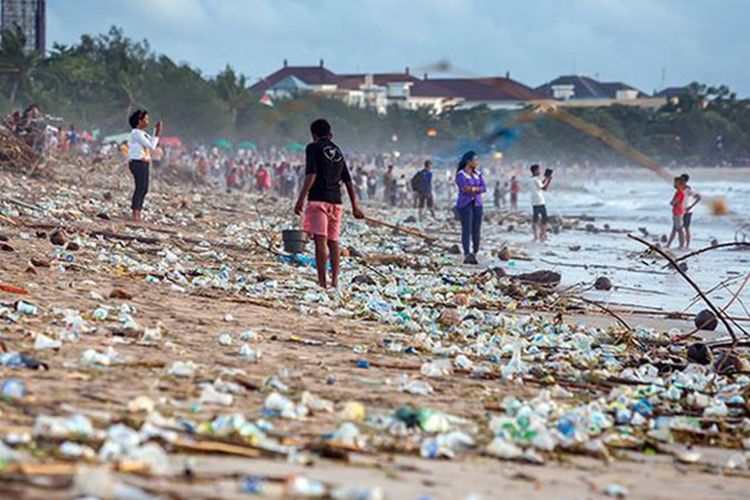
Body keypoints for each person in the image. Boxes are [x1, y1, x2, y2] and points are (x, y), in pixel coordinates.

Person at [294, 119, 364, 288]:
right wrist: (355, 206)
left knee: (320, 241)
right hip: (336, 202)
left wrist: (300, 199)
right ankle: (334, 281)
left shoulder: (312, 147)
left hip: (318, 199)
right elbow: (348, 181)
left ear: (314, 135)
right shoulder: (338, 151)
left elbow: (311, 175)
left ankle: (322, 282)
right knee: (333, 242)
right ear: (330, 135)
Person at [127, 109, 162, 222]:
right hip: (138, 162)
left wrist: (155, 132)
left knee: (144, 188)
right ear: (139, 120)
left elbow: (152, 142)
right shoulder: (136, 133)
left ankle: (138, 211)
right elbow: (151, 146)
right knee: (140, 187)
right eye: (145, 119)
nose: (147, 121)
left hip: (144, 162)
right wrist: (157, 134)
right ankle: (135, 213)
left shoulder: (143, 134)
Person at [455, 151, 486, 265]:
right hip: (465, 204)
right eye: (475, 160)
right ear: (469, 161)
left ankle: (475, 251)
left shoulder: (478, 173)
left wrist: (473, 189)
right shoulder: (461, 174)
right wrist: (476, 189)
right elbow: (464, 189)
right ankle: (467, 252)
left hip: (477, 203)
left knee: (476, 229)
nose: (477, 162)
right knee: (466, 228)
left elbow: (484, 187)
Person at [530, 165, 552, 242]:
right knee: (544, 218)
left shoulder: (533, 179)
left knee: (535, 218)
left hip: (534, 201)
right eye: (538, 170)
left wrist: (545, 179)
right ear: (535, 171)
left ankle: (536, 236)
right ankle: (542, 234)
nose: (540, 171)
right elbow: (544, 188)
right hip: (540, 201)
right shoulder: (536, 179)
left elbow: (540, 185)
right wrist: (549, 181)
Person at [681, 173, 702, 248]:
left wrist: (691, 206)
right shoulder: (680, 188)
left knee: (686, 228)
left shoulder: (689, 189)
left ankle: (687, 245)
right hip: (680, 210)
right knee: (679, 228)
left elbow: (699, 197)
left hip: (687, 211)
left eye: (682, 180)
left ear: (686, 181)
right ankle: (682, 244)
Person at [666, 176, 687, 249]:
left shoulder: (680, 193)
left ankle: (682, 244)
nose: (674, 184)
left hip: (678, 212)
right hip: (676, 212)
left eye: (676, 183)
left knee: (679, 229)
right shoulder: (677, 192)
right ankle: (669, 244)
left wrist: (673, 202)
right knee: (674, 229)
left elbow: (675, 202)